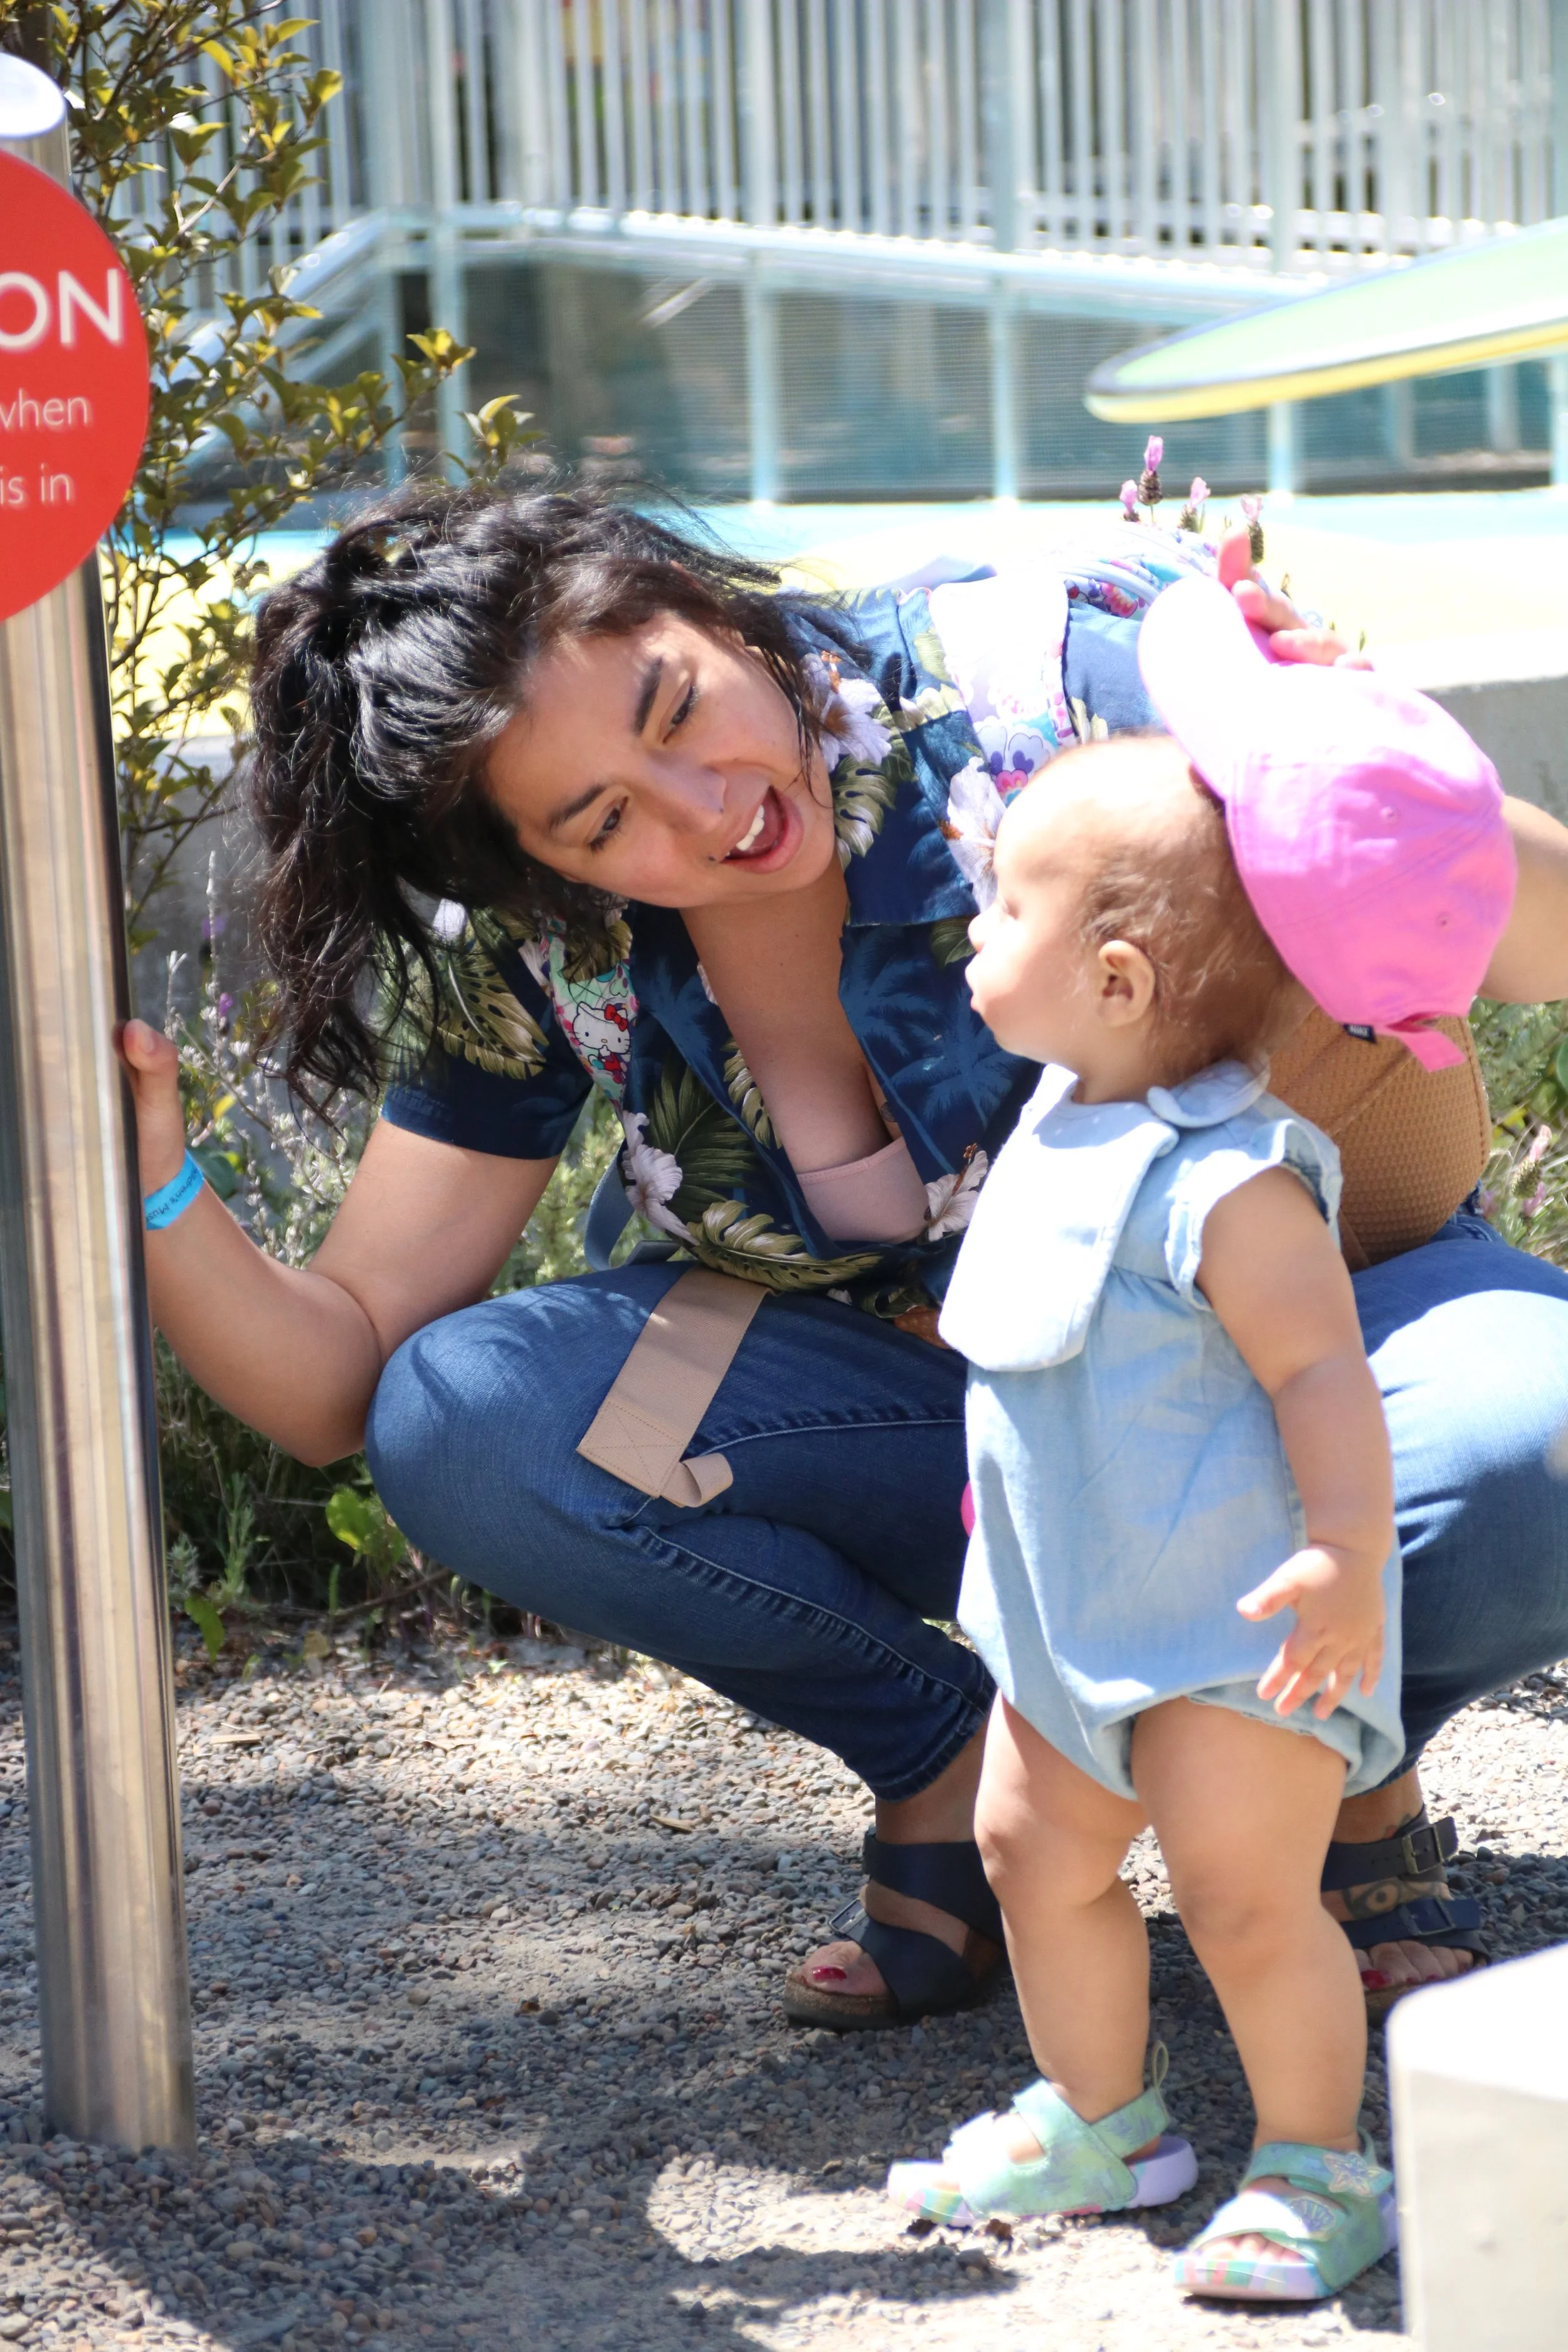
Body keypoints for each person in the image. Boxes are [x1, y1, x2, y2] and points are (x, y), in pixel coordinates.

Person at [119, 484, 1568, 2043]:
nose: (701, 805)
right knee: (460, 1414)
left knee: (1533, 1442)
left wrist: (1341, 762)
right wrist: (147, 1181)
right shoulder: (550, 955)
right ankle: (954, 1764)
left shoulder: (1061, 671)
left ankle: (1324, 1754)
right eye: (603, 820)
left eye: (678, 705)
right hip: (961, 1442)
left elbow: (1546, 943)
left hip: (1321, 1356)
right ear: (540, 869)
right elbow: (339, 1381)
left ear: (695, 600)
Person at [886, 576, 1517, 2302]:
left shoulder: (1225, 1175)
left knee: (1246, 1898)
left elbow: (1319, 1373)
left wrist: (1334, 1554)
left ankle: (1318, 2161)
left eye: (1000, 903)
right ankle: (1103, 2115)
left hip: (1225, 1628)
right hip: (1067, 1611)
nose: (967, 921)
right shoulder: (1060, 1109)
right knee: (1034, 1851)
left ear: (1111, 971)